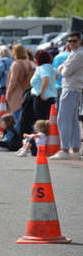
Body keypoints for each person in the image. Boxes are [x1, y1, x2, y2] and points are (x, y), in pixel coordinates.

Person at [50, 31, 83, 160]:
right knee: (73, 120)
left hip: (70, 88)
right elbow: (64, 69)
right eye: (69, 41)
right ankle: (74, 150)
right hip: (73, 88)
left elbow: (66, 71)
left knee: (63, 118)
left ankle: (64, 149)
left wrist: (61, 67)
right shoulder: (75, 53)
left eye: (74, 41)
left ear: (80, 41)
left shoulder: (78, 54)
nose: (71, 43)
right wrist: (63, 67)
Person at [6, 44, 35, 126]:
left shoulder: (15, 64)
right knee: (24, 117)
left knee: (17, 117)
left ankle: (17, 136)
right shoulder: (28, 63)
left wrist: (8, 93)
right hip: (26, 91)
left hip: (17, 92)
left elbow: (13, 80)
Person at [30, 50, 58, 121]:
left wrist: (42, 92)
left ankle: (42, 132)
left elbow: (46, 78)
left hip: (42, 98)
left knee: (41, 120)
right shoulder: (49, 67)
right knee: (48, 119)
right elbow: (57, 74)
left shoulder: (42, 68)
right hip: (50, 96)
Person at [52, 44, 71, 109]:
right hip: (68, 86)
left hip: (57, 85)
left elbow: (53, 71)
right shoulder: (73, 56)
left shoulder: (57, 57)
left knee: (57, 108)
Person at [0, 45, 14, 111]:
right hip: (11, 86)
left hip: (2, 85)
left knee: (0, 106)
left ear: (2, 53)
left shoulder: (3, 60)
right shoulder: (13, 61)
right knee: (9, 107)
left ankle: (1, 121)